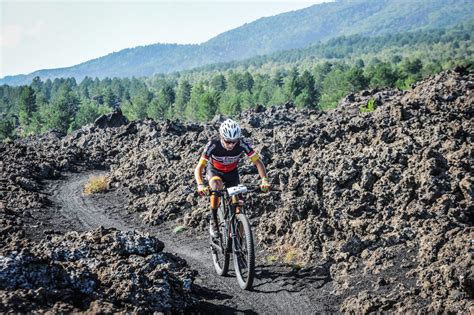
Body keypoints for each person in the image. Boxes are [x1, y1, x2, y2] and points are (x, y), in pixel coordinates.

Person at [194, 118, 270, 236]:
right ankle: (214, 220)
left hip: (232, 173)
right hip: (215, 172)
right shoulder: (213, 145)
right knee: (216, 186)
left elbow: (258, 163)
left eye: (234, 141)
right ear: (221, 137)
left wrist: (264, 180)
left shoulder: (242, 144)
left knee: (239, 204)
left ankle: (239, 238)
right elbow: (199, 168)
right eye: (228, 141)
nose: (231, 145)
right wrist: (200, 184)